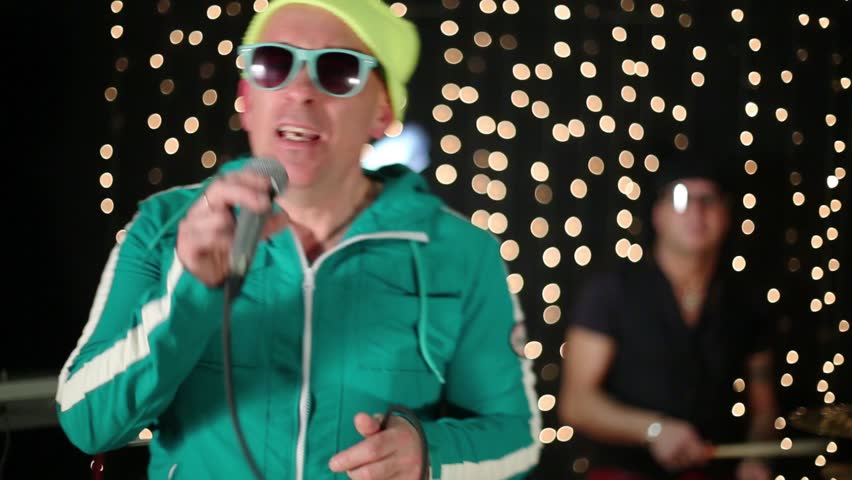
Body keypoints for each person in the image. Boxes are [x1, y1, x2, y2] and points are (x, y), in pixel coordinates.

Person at [54, 1, 541, 479]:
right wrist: (189, 291)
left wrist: (431, 457)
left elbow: (517, 440)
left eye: (338, 71)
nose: (300, 90)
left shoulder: (460, 251)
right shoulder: (164, 227)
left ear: (382, 111)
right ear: (246, 98)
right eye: (274, 63)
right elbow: (86, 423)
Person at [558, 160, 778, 480]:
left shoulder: (746, 302)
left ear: (726, 215)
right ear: (657, 214)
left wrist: (758, 457)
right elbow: (575, 403)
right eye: (680, 198)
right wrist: (654, 429)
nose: (696, 211)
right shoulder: (611, 291)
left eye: (709, 200)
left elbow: (765, 408)